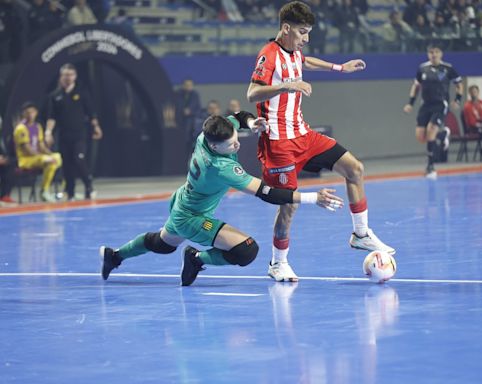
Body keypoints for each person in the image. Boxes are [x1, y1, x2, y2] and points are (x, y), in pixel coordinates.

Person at [100, 111, 343, 286]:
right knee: (246, 251)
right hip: (193, 217)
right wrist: (313, 198)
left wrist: (250, 122)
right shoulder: (219, 167)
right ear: (216, 148)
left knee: (163, 245)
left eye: (237, 138)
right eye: (230, 145)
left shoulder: (207, 135)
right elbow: (267, 193)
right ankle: (196, 258)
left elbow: (237, 116)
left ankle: (115, 255)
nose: (237, 145)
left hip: (183, 201)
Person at [246, 1, 395, 283]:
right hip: (279, 144)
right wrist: (287, 85)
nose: (306, 39)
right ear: (286, 28)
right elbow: (252, 92)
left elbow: (306, 61)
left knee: (355, 169)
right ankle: (278, 264)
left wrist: (340, 68)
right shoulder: (269, 54)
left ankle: (361, 234)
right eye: (303, 32)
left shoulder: (294, 53)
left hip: (304, 135)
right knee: (289, 206)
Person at [403, 43, 463, 178]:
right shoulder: (422, 68)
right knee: (420, 137)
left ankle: (430, 166)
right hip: (426, 105)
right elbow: (416, 86)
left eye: (436, 52)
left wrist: (457, 99)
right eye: (431, 52)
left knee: (431, 131)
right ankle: (442, 135)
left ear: (441, 53)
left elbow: (459, 84)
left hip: (440, 104)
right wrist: (410, 103)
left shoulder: (448, 68)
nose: (433, 55)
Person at [45, 63, 103, 200]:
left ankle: (89, 186)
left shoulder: (81, 92)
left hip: (80, 134)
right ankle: (69, 191)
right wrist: (48, 132)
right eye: (65, 75)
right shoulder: (55, 96)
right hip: (64, 135)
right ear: (61, 77)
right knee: (67, 164)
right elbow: (51, 117)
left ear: (75, 76)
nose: (68, 78)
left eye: (70, 75)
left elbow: (91, 112)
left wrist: (96, 127)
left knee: (79, 159)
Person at [13, 102, 62, 202]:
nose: (30, 115)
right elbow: (28, 149)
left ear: (36, 113)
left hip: (38, 157)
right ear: (24, 114)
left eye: (32, 112)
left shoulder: (37, 126)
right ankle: (44, 190)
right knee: (49, 161)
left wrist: (50, 154)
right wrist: (44, 157)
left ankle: (48, 189)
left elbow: (41, 146)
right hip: (25, 159)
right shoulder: (21, 128)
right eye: (28, 112)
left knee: (57, 157)